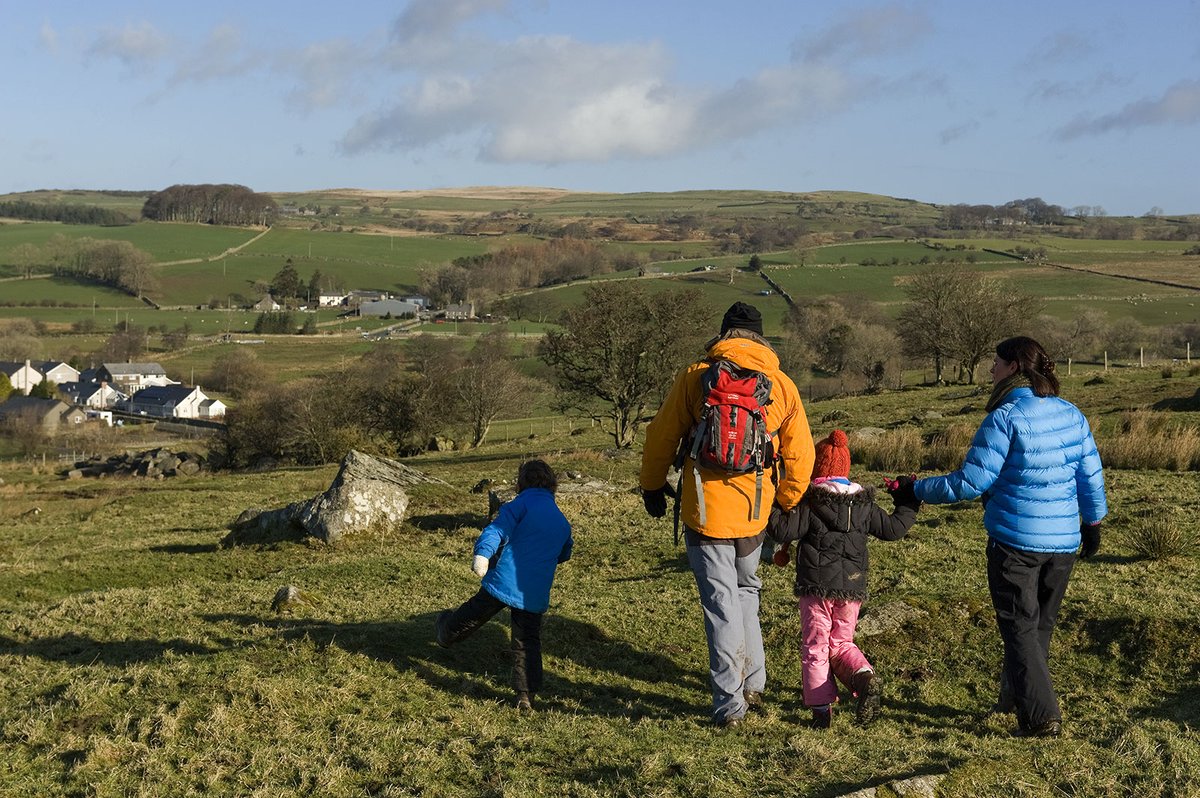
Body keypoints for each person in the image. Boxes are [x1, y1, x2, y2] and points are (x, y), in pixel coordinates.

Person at [906, 336, 1107, 738]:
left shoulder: (1005, 417)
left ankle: (1041, 717)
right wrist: (1094, 522)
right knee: (1039, 628)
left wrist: (915, 489)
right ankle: (1015, 698)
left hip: (1015, 543)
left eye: (996, 362)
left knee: (1020, 630)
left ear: (1014, 366)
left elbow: (971, 482)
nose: (991, 369)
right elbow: (1089, 473)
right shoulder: (1071, 414)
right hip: (1064, 542)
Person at [641, 302, 815, 728]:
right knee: (745, 592)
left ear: (724, 334)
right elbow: (802, 455)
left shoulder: (695, 376)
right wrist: (786, 502)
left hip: (705, 511)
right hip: (756, 512)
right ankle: (753, 680)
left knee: (720, 605)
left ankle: (729, 705)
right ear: (761, 337)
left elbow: (661, 434)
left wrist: (651, 485)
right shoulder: (781, 385)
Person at [767, 429, 920, 729]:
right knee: (841, 643)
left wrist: (773, 495)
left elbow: (780, 530)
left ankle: (821, 712)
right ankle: (864, 679)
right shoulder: (863, 506)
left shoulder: (811, 502)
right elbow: (893, 529)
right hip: (852, 586)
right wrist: (908, 501)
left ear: (816, 467)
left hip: (816, 587)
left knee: (816, 646)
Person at [435, 460, 574, 712]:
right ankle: (525, 696)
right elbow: (565, 553)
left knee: (472, 615)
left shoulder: (519, 504)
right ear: (553, 485)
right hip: (533, 592)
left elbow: (495, 530)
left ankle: (445, 634)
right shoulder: (561, 520)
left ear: (521, 482)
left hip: (503, 580)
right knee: (527, 642)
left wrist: (483, 555)